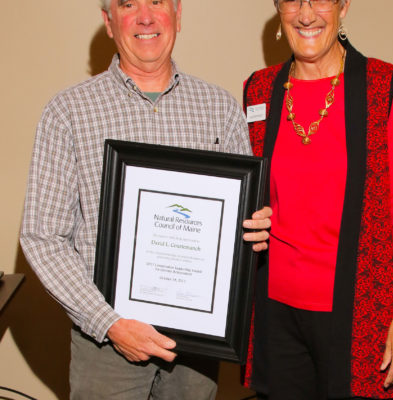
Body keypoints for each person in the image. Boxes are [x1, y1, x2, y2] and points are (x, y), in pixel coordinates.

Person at [20, 0, 271, 399]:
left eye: (157, 1)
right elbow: (43, 237)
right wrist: (109, 323)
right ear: (108, 22)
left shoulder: (219, 108)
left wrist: (255, 228)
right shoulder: (68, 111)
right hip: (105, 347)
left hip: (198, 347)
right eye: (127, 4)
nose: (146, 17)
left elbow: (241, 221)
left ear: (178, 14)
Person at [242, 0, 393, 399]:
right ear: (278, 9)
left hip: (361, 314)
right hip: (275, 315)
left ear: (343, 6)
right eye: (293, 0)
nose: (306, 14)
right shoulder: (258, 89)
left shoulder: (384, 86)